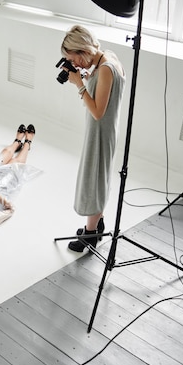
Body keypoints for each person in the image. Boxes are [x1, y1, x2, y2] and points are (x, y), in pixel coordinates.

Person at [59, 25, 126, 253]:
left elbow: (98, 111)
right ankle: (96, 223)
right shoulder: (106, 59)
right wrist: (87, 76)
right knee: (97, 177)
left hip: (101, 132)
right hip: (102, 131)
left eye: (72, 58)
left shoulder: (106, 69)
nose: (73, 64)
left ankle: (90, 235)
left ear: (82, 50)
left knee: (94, 180)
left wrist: (79, 84)